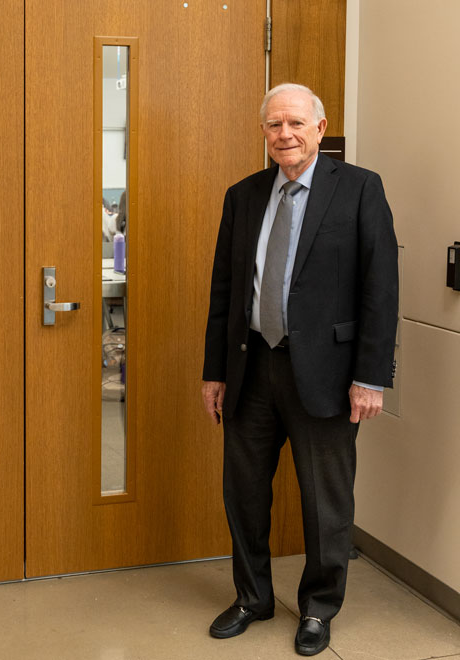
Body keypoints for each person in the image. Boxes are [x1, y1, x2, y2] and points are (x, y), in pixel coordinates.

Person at [201, 83, 398, 656]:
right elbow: (224, 293)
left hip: (330, 376)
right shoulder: (243, 196)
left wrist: (371, 377)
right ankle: (252, 598)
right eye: (272, 126)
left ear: (319, 126)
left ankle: (318, 608)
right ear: (263, 132)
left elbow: (380, 291)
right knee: (243, 494)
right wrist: (214, 372)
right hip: (251, 368)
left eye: (294, 124)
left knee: (325, 501)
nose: (283, 135)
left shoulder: (360, 189)